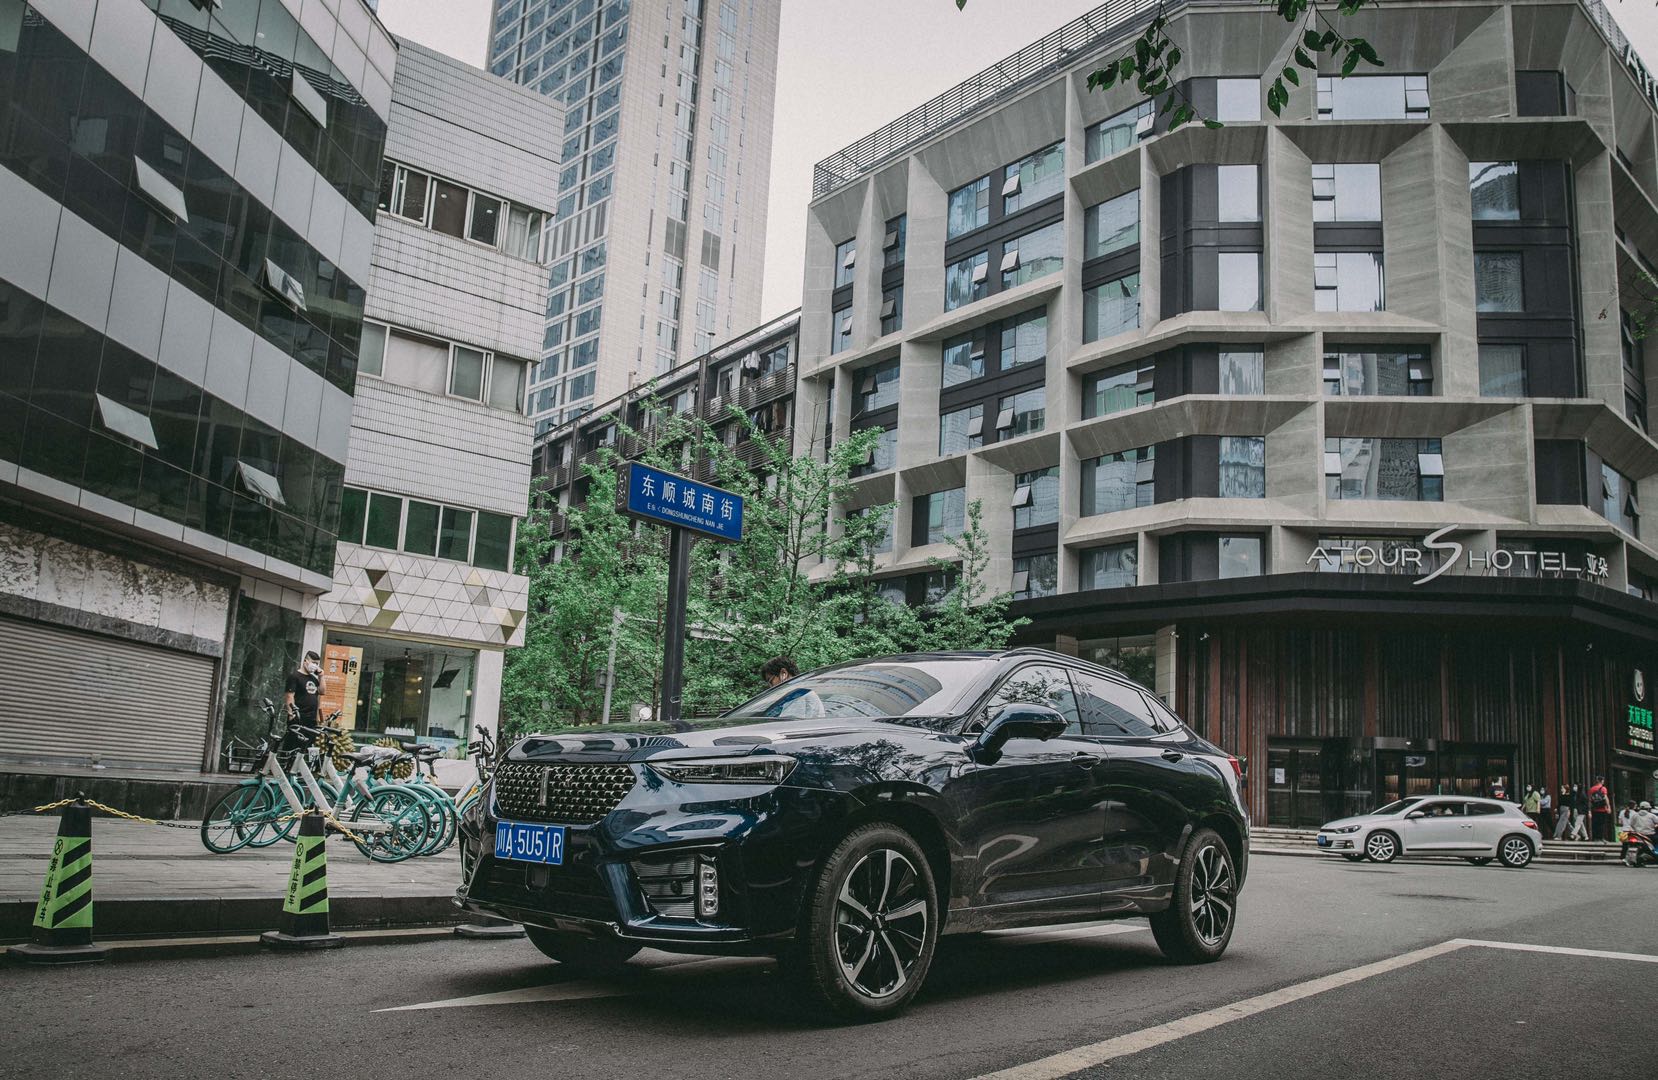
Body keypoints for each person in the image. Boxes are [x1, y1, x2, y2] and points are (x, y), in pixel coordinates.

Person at [280, 650, 323, 754]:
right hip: (298, 717)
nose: (315, 666)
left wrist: (321, 676)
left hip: (311, 719)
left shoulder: (314, 679)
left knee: (307, 747)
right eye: (313, 662)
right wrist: (291, 714)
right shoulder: (295, 676)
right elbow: (289, 696)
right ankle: (285, 763)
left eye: (317, 664)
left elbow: (322, 691)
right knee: (292, 745)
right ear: (305, 661)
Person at [760, 656, 826, 718]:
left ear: (784, 673)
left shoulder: (798, 694)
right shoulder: (798, 692)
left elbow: (787, 723)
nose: (771, 687)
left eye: (771, 681)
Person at [1589, 775, 1613, 842]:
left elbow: (1590, 799)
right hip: (1602, 809)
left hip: (1594, 809)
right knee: (1601, 824)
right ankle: (1600, 837)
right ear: (1602, 781)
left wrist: (1589, 810)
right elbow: (1605, 798)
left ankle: (1595, 838)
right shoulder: (1603, 788)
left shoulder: (1592, 789)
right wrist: (1609, 807)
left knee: (1594, 824)